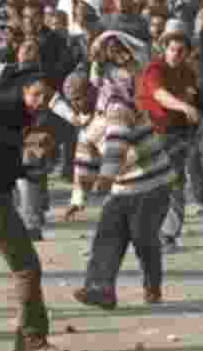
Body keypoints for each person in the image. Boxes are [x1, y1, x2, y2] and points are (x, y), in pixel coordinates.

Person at [0, 69, 69, 351]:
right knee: (26, 267)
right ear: (22, 92)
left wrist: (28, 170)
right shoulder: (1, 107)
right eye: (35, 94)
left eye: (46, 96)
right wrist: (25, 142)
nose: (41, 101)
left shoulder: (18, 116)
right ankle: (33, 339)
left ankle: (31, 339)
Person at [66, 30, 176, 309]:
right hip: (122, 187)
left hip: (153, 182)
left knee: (143, 238)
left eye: (80, 96)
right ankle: (100, 289)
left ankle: (152, 286)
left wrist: (106, 176)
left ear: (93, 89)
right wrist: (78, 198)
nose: (77, 103)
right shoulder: (88, 122)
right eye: (72, 100)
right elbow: (83, 159)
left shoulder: (116, 103)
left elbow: (117, 140)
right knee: (107, 236)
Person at [135, 22, 202, 253]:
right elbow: (160, 95)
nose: (176, 54)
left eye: (181, 51)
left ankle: (168, 235)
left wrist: (190, 107)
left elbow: (192, 96)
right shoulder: (155, 69)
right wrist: (183, 106)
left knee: (175, 185)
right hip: (151, 133)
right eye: (172, 49)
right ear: (165, 48)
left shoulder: (188, 73)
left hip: (176, 135)